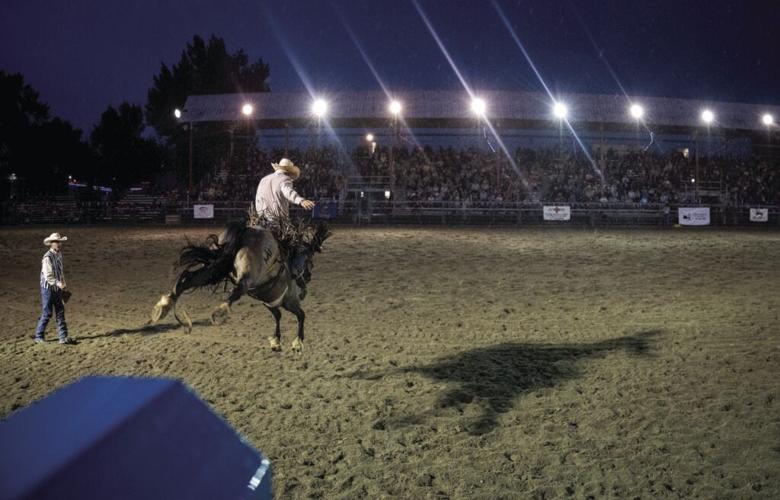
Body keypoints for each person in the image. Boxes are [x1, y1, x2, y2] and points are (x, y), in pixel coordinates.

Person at [254, 158, 315, 288]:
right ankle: (294, 273)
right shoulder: (285, 180)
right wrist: (300, 200)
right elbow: (288, 192)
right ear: (288, 173)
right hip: (277, 224)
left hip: (259, 222)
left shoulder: (264, 180)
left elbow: (257, 200)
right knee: (300, 246)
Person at [34, 233, 76, 345]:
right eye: (56, 242)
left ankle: (63, 337)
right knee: (47, 313)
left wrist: (63, 283)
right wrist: (59, 284)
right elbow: (48, 276)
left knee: (60, 311)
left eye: (59, 242)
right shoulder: (47, 257)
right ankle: (38, 336)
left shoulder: (58, 254)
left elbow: (60, 271)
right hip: (47, 289)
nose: (58, 244)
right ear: (51, 243)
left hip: (56, 287)